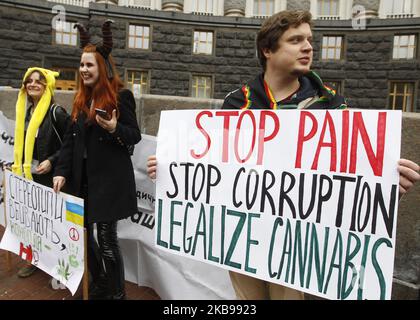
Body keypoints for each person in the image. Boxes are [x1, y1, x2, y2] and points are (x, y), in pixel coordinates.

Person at [147, 10, 420, 300]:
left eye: (310, 40)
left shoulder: (330, 104)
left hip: (294, 243)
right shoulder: (237, 102)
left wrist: (389, 187)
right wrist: (171, 170)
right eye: (295, 40)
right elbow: (209, 168)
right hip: (243, 238)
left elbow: (351, 181)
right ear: (267, 50)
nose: (308, 47)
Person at [52, 20, 141, 300]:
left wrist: (115, 129)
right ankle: (100, 281)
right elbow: (69, 142)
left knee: (107, 240)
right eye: (81, 65)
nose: (83, 70)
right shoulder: (80, 100)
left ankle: (117, 293)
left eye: (89, 65)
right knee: (82, 234)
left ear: (101, 68)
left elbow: (133, 136)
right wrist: (61, 170)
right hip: (83, 181)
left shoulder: (121, 96)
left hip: (110, 182)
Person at [11, 67, 70, 278]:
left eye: (39, 81)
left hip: (49, 178)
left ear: (47, 87)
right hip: (30, 176)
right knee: (33, 222)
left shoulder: (57, 112)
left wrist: (51, 162)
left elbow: (71, 144)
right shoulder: (25, 113)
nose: (33, 84)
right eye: (29, 80)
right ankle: (35, 260)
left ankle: (59, 266)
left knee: (53, 225)